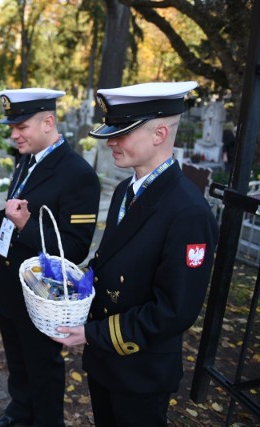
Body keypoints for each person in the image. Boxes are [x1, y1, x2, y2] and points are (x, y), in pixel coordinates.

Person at [53, 81, 219, 426]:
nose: (111, 141)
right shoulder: (126, 191)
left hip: (139, 369)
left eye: (122, 133)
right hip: (106, 361)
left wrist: (92, 333)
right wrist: (77, 286)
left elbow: (174, 311)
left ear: (160, 133)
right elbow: (110, 261)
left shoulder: (188, 211)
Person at [0, 88, 101, 427]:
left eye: (21, 127)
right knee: (17, 363)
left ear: (48, 122)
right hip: (10, 288)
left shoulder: (78, 175)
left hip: (42, 297)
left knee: (42, 369)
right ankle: (20, 412)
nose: (14, 134)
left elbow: (74, 250)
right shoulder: (26, 159)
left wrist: (26, 226)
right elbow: (17, 211)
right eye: (11, 128)